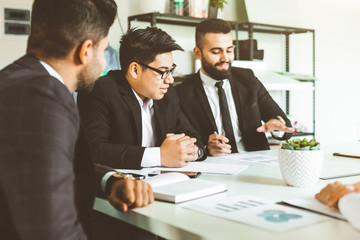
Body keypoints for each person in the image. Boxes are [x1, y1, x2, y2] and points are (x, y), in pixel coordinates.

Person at [0, 1, 153, 239]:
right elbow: (52, 231)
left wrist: (110, 180)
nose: (103, 63)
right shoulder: (42, 97)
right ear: (86, 51)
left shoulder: (20, 79)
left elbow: (51, 163)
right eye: (104, 51)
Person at [77, 27, 206, 170]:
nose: (170, 80)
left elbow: (194, 139)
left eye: (171, 70)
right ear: (135, 70)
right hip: (120, 185)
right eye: (163, 72)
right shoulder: (99, 91)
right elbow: (94, 151)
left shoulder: (168, 94)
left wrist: (194, 152)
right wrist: (160, 156)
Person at [175, 18, 294, 156]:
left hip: (255, 161)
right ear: (198, 53)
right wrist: (206, 149)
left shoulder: (247, 79)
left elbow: (283, 122)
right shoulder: (182, 93)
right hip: (214, 166)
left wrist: (276, 125)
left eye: (229, 50)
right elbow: (182, 142)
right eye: (216, 52)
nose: (225, 58)